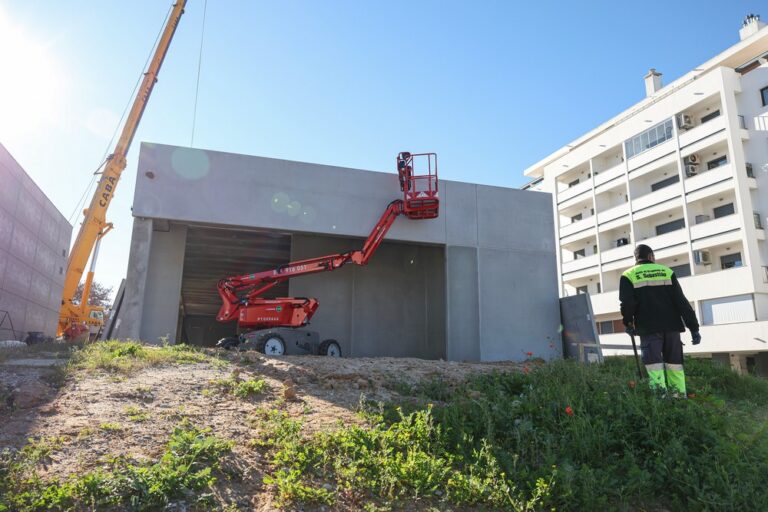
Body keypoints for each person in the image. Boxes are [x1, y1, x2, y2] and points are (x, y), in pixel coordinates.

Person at [620, 244, 701, 395]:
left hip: (648, 329)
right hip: (672, 328)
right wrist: (694, 328)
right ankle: (679, 400)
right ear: (651, 256)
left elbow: (628, 304)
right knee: (675, 366)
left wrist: (628, 323)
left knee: (654, 367)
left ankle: (661, 403)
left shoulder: (628, 275)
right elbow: (681, 302)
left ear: (636, 258)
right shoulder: (667, 272)